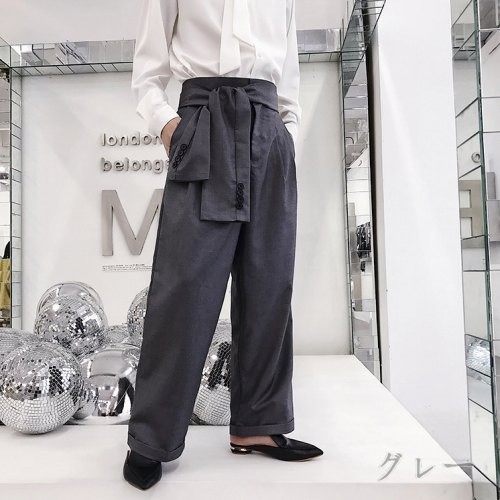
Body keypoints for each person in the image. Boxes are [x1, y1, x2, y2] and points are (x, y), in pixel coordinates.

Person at [123, 0, 323, 490]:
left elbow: (289, 81)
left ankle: (257, 425)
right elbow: (147, 73)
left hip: (268, 128)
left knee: (269, 285)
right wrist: (171, 127)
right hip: (203, 119)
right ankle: (151, 439)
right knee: (184, 288)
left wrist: (286, 135)